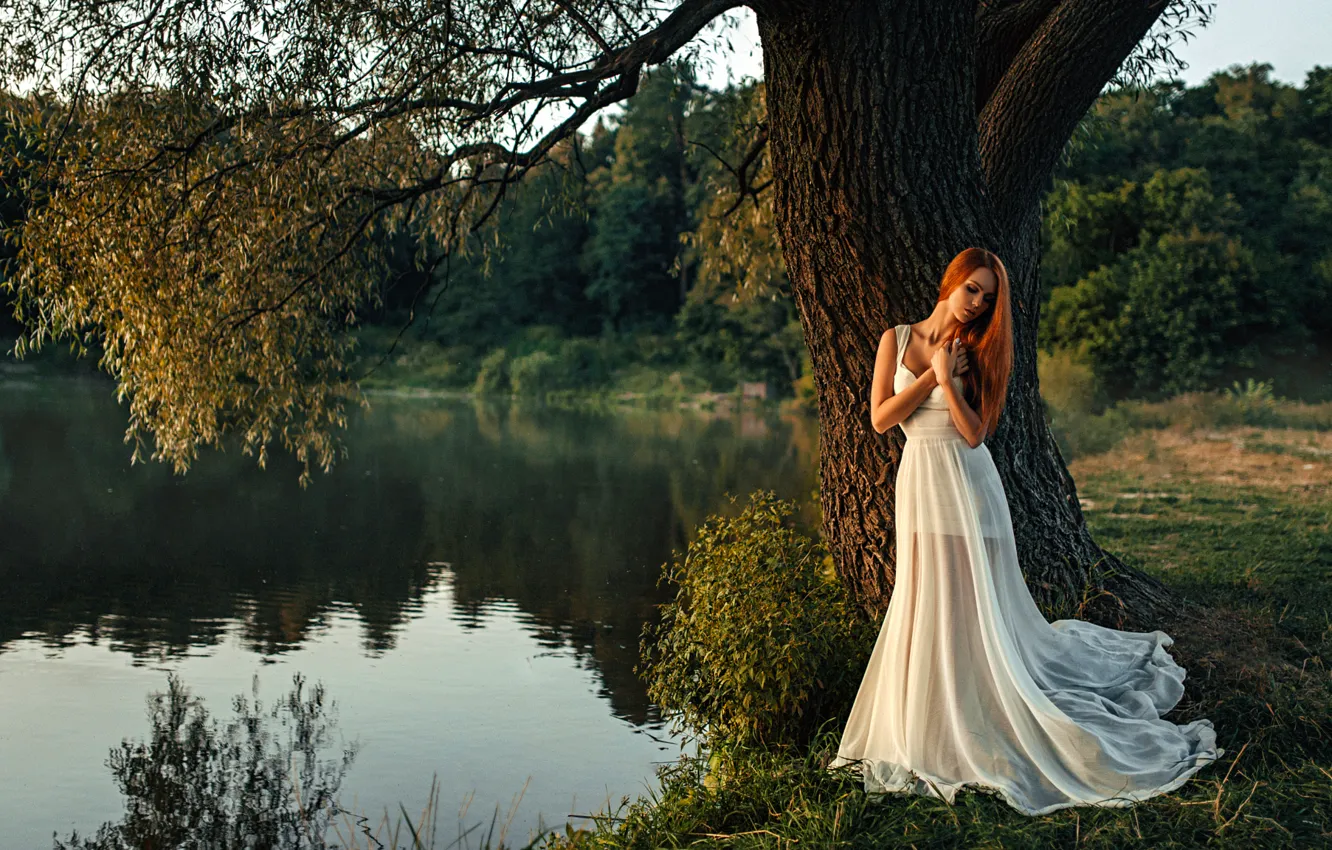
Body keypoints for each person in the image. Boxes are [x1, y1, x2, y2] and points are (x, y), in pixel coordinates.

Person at [828, 247, 1221, 815]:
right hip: (919, 485)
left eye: (988, 298)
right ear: (952, 282)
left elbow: (973, 436)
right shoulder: (897, 337)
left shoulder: (980, 352)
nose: (978, 304)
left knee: (970, 608)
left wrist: (953, 381)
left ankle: (978, 713)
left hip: (968, 486)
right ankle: (931, 715)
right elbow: (882, 418)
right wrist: (934, 377)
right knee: (923, 600)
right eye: (973, 290)